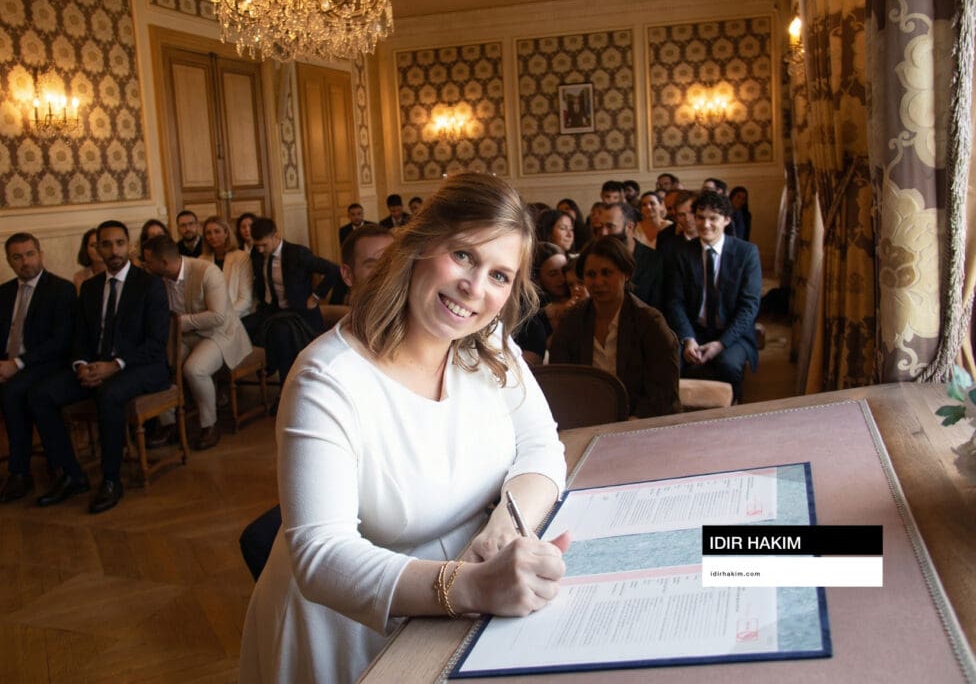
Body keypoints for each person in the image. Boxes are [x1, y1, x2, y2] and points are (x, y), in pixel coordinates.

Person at [239, 172, 569, 683]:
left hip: (469, 600)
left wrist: (504, 524)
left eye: (500, 275)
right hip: (350, 631)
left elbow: (542, 448)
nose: (475, 288)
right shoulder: (327, 378)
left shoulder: (490, 346)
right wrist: (471, 586)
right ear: (419, 243)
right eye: (463, 255)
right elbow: (321, 556)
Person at [238, 223, 394, 582]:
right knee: (261, 542)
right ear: (349, 274)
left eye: (395, 260)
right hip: (344, 482)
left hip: (385, 488)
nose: (388, 271)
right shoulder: (324, 368)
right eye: (374, 263)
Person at [28, 220, 171, 514]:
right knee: (40, 395)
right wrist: (81, 364)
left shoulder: (150, 284)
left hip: (144, 366)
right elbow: (79, 337)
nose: (113, 250)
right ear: (97, 249)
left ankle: (110, 479)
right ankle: (71, 474)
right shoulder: (91, 288)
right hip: (97, 366)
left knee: (109, 394)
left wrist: (114, 365)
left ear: (129, 246)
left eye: (119, 243)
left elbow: (156, 342)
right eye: (106, 244)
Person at [0, 233, 76, 501]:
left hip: (41, 364)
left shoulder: (61, 289)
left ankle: (20, 473)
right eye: (17, 257)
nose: (25, 262)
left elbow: (60, 342)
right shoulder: (5, 291)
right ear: (9, 261)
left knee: (13, 391)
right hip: (3, 363)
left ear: (41, 255)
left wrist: (17, 364)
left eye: (30, 254)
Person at [550, 236, 680, 418]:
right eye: (591, 275)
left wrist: (632, 422)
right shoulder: (572, 321)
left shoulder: (650, 322)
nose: (598, 282)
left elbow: (663, 390)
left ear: (625, 274)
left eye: (607, 273)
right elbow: (560, 379)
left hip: (641, 420)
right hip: (586, 416)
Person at [143, 235, 253, 450]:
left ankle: (209, 425)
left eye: (149, 261)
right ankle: (169, 424)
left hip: (219, 333)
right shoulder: (157, 279)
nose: (146, 265)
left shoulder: (206, 271)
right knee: (159, 365)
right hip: (182, 335)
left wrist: (177, 323)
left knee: (195, 369)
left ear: (164, 262)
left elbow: (218, 317)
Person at [665, 190, 762, 400]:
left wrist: (721, 343)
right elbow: (675, 302)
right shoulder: (681, 253)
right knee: (670, 365)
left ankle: (734, 414)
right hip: (694, 331)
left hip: (731, 333)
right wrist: (688, 338)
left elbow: (749, 307)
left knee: (728, 365)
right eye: (700, 217)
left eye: (713, 218)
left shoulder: (746, 253)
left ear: (727, 220)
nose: (705, 224)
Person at [243, 218, 340, 400]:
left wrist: (316, 297)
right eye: (257, 246)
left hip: (299, 314)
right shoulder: (257, 256)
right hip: (272, 311)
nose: (260, 250)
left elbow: (334, 270)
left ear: (275, 236)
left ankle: (287, 394)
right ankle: (265, 367)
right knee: (240, 326)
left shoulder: (297, 254)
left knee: (282, 335)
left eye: (264, 245)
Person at [201, 215, 254, 318]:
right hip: (210, 316)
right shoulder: (201, 260)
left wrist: (224, 317)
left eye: (217, 231)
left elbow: (245, 299)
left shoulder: (242, 257)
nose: (212, 236)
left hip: (238, 315)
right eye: (208, 233)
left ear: (226, 233)